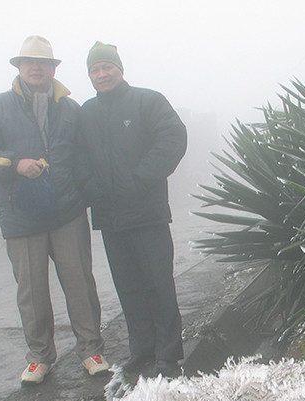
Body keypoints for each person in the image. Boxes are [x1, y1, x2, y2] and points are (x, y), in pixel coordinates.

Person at [0, 35, 110, 385]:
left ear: (53, 68)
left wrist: (84, 195)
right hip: (21, 216)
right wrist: (14, 164)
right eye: (27, 61)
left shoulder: (71, 110)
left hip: (67, 211)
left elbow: (87, 158)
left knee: (80, 283)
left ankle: (91, 350)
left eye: (42, 62)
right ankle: (40, 357)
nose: (34, 67)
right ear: (18, 66)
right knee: (31, 292)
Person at [78, 41, 187, 378]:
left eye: (106, 67)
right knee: (128, 287)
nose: (101, 74)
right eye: (95, 70)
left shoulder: (147, 101)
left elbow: (173, 137)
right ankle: (142, 350)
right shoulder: (86, 113)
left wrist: (141, 178)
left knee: (158, 283)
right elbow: (78, 158)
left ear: (119, 69)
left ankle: (169, 354)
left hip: (148, 213)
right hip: (111, 218)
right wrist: (92, 190)